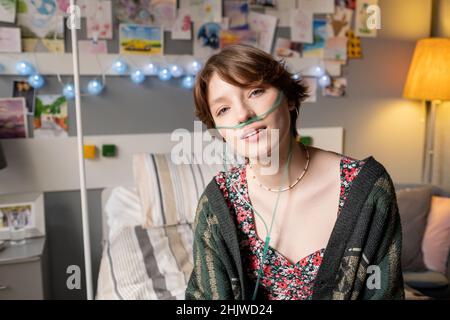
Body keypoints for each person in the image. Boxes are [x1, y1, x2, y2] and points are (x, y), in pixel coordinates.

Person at [185, 44, 404, 300]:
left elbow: (384, 292)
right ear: (219, 131)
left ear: (288, 98)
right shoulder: (217, 204)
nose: (243, 114)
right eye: (223, 109)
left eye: (255, 91)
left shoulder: (369, 191)